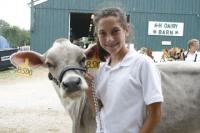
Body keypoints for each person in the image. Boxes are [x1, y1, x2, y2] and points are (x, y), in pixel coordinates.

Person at [85, 7, 163, 133]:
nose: (109, 39)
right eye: (102, 33)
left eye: (115, 31)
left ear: (126, 30)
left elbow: (155, 114)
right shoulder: (100, 69)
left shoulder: (142, 64)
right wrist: (89, 90)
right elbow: (99, 112)